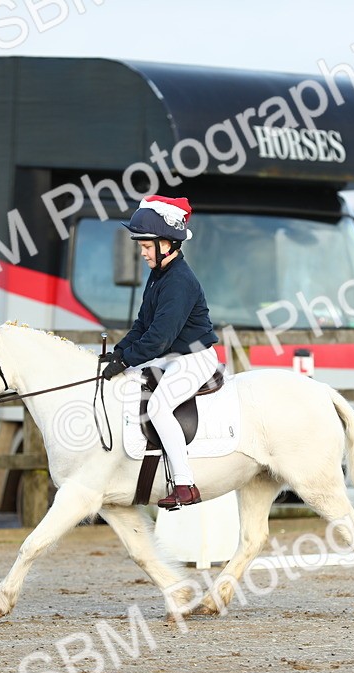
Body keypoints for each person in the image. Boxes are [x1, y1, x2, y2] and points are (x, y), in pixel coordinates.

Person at [100, 195, 219, 509]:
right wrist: (119, 353)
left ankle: (184, 484)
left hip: (195, 358)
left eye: (145, 246)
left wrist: (126, 360)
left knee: (157, 408)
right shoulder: (159, 275)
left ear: (166, 244)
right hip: (173, 358)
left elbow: (159, 339)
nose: (141, 252)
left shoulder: (179, 281)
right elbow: (143, 324)